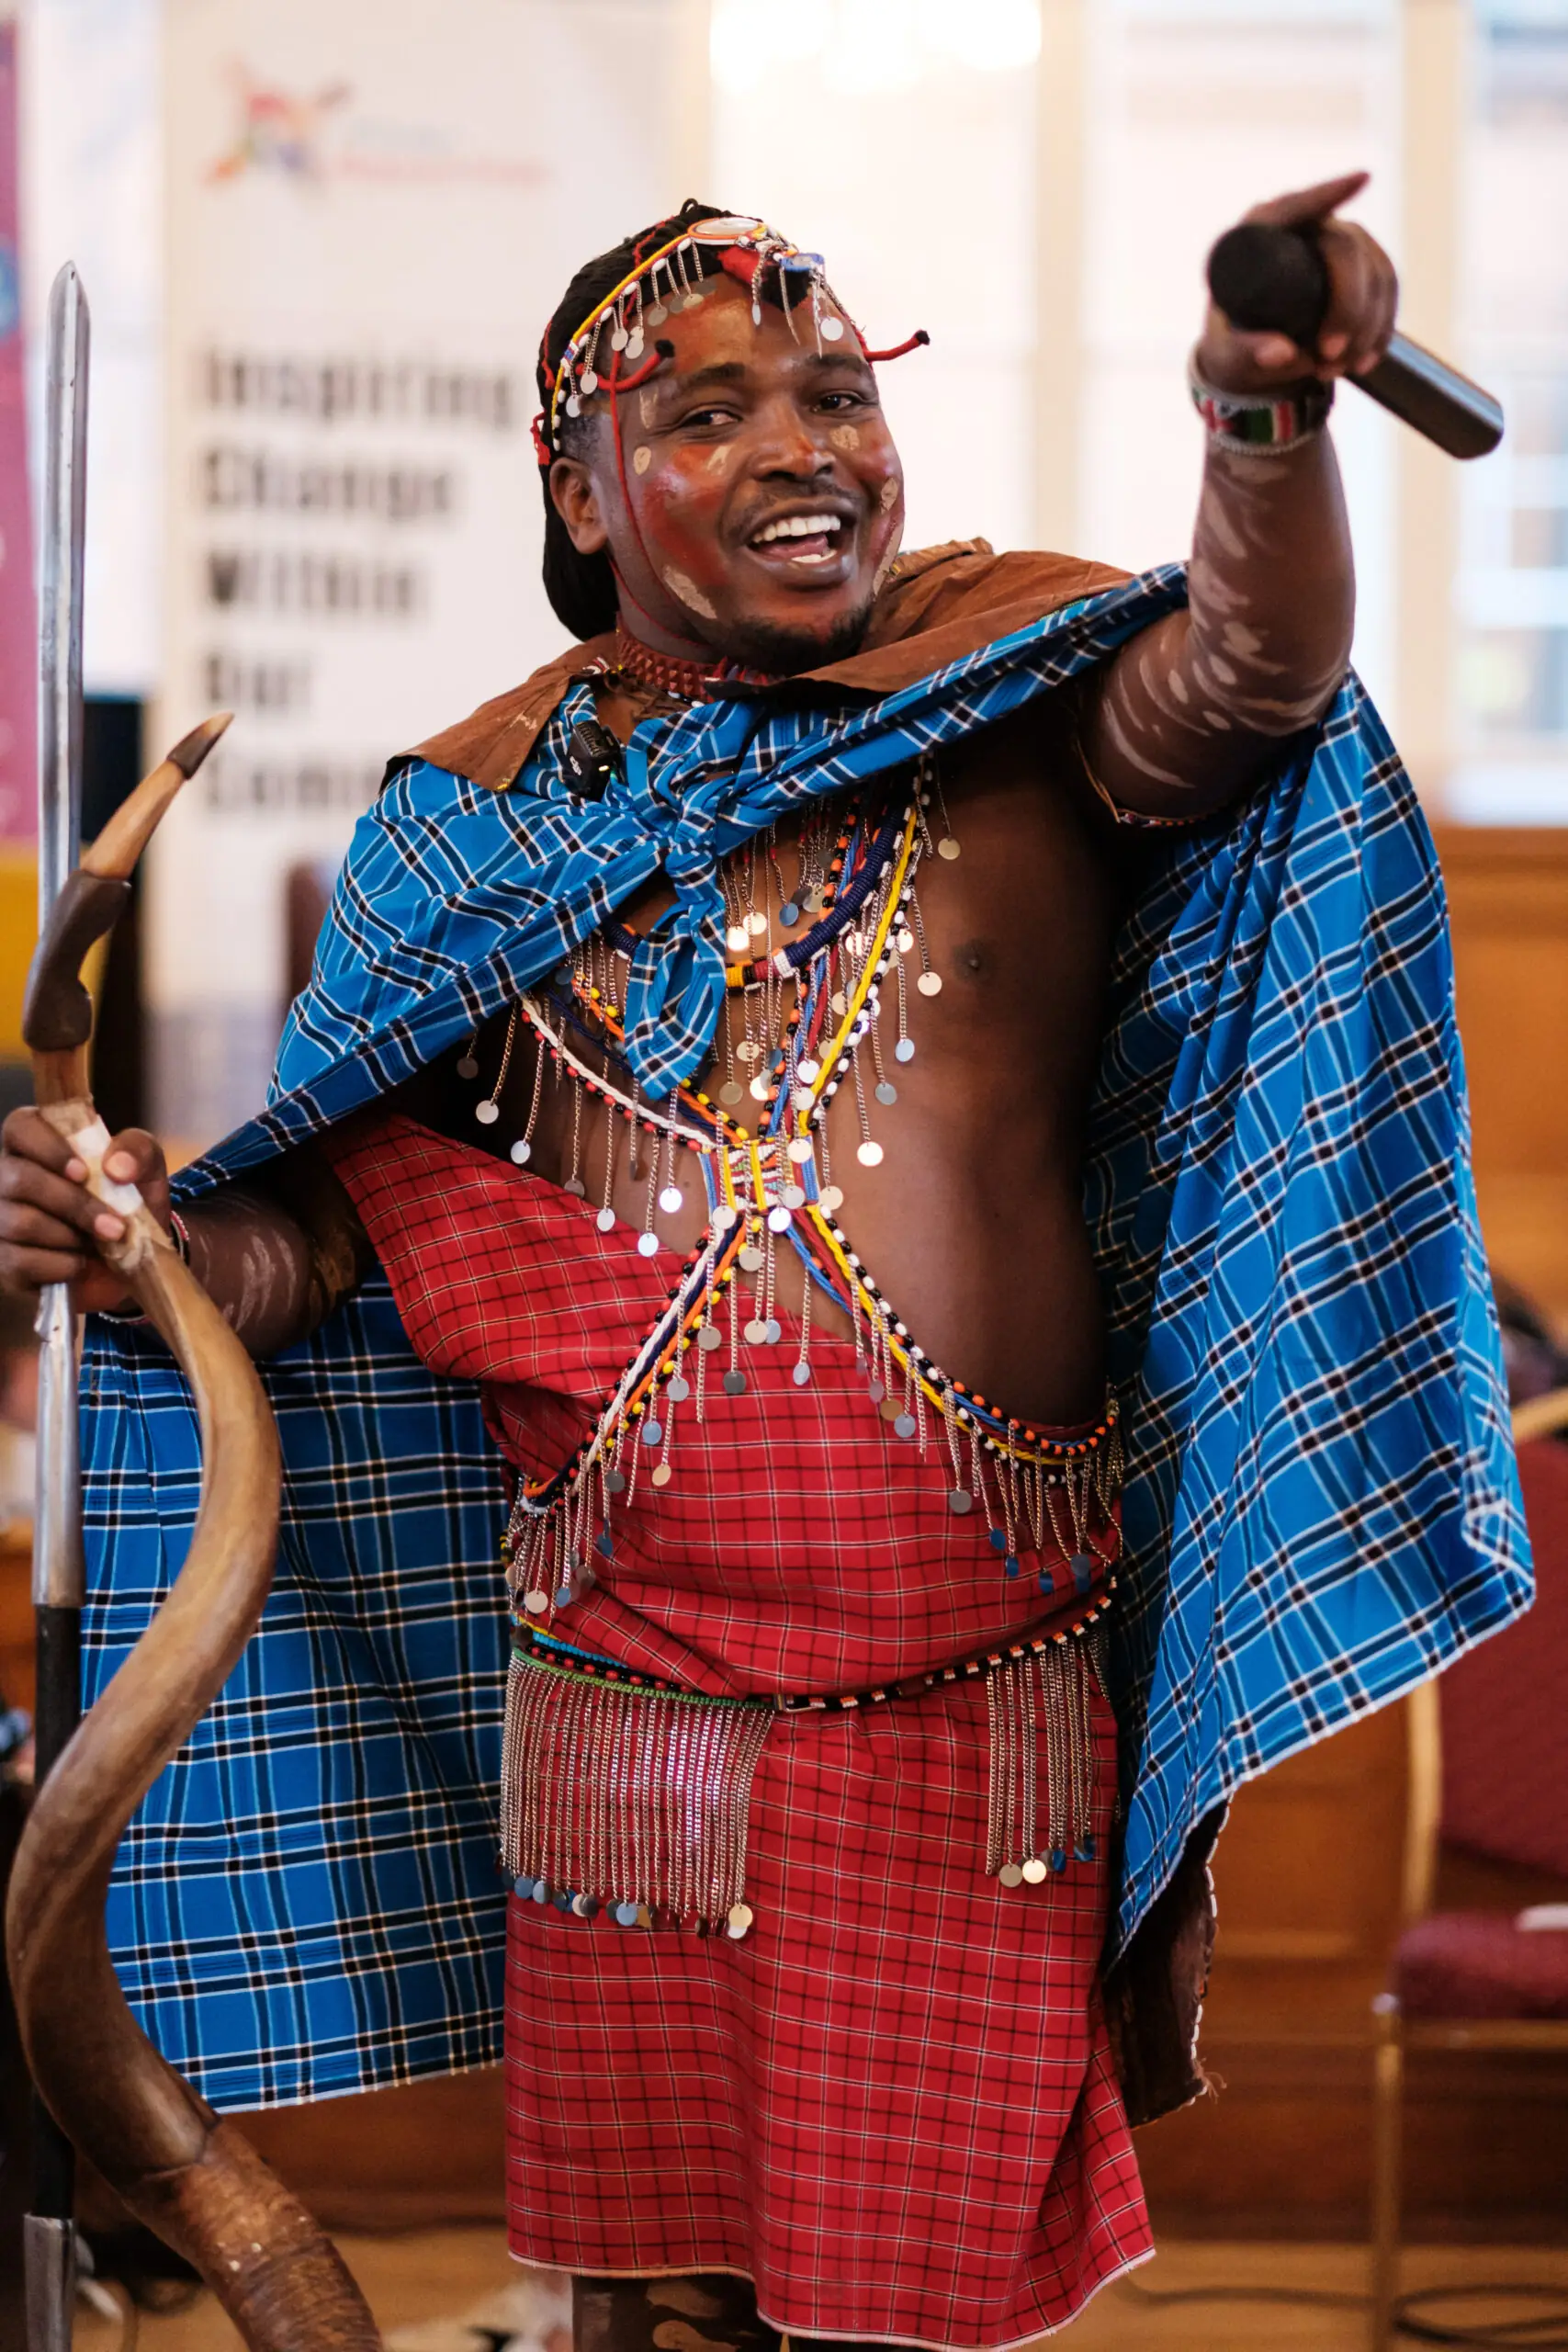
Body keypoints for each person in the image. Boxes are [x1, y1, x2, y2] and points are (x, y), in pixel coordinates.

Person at [0, 187, 1529, 2349]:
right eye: (709, 410)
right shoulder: (469, 823)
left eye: (836, 392)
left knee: (910, 2314)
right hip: (625, 1728)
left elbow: (1256, 666)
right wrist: (136, 1229)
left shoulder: (1027, 717)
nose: (808, 446)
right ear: (581, 482)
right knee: (652, 2306)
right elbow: (317, 1247)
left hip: (968, 1713)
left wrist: (1255, 410)